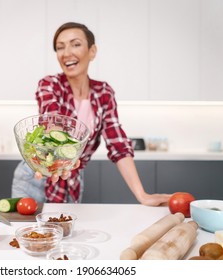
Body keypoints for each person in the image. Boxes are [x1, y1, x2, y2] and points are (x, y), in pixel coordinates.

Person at [12, 22, 171, 206]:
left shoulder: (103, 93)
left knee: (64, 232)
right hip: (35, 177)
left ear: (92, 51)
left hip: (72, 179)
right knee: (29, 233)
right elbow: (51, 117)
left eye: (76, 44)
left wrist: (142, 195)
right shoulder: (50, 84)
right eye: (60, 47)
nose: (66, 53)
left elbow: (118, 144)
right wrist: (55, 159)